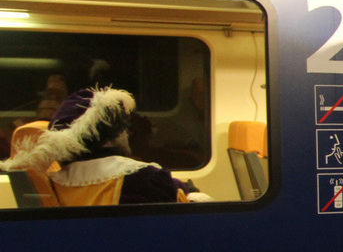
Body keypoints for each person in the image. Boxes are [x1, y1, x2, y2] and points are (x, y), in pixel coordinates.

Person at [0, 87, 213, 205]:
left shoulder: (55, 180)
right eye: (123, 129)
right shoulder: (143, 177)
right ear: (109, 136)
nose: (127, 134)